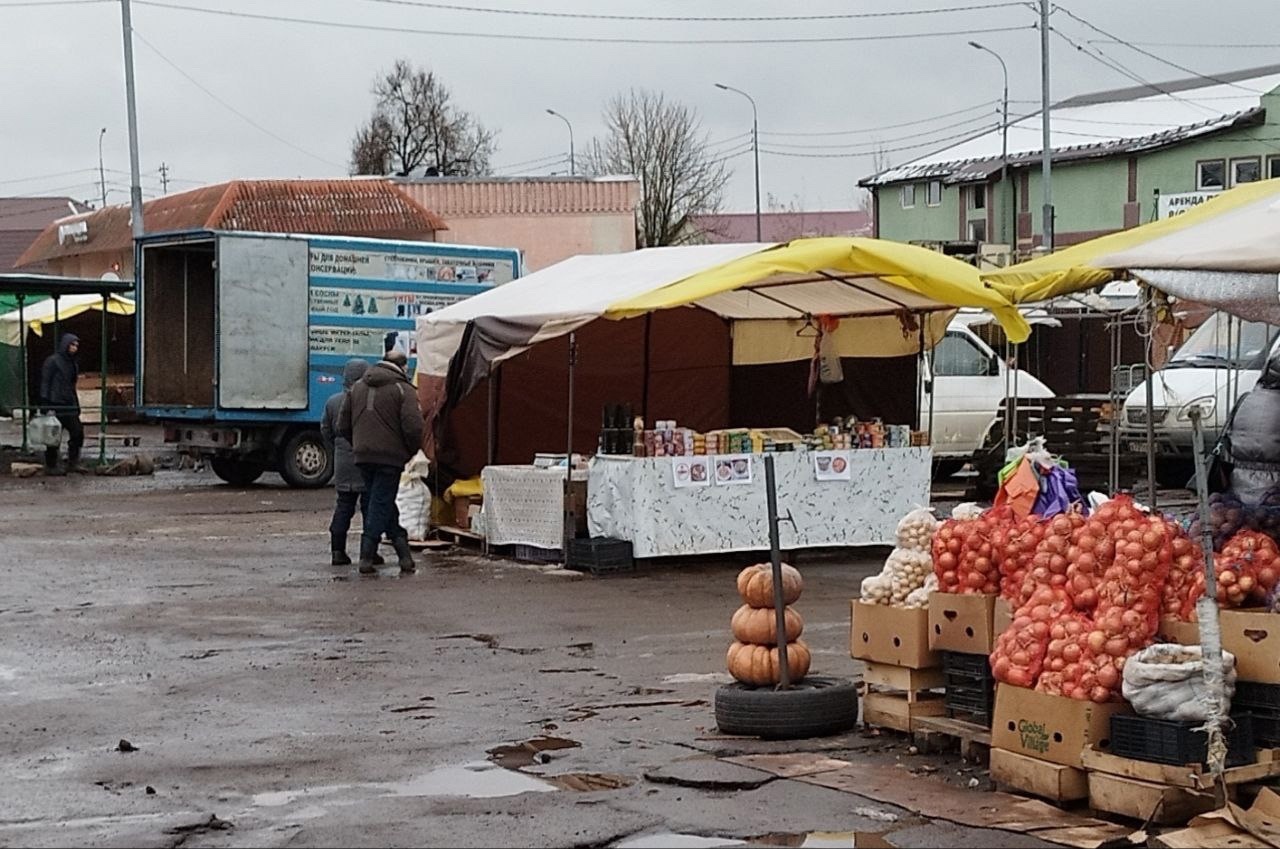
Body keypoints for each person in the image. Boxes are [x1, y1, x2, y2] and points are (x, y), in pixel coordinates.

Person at [338, 349, 424, 574]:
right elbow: (414, 427)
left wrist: (358, 445)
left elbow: (342, 425)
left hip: (363, 456)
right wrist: (409, 451)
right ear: (403, 367)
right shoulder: (403, 389)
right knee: (380, 502)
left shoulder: (357, 387)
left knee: (381, 501)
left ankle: (404, 555)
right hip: (390, 458)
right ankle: (366, 556)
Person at [320, 358, 384, 567]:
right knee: (369, 508)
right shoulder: (368, 400)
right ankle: (369, 553)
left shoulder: (332, 402)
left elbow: (326, 431)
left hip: (342, 461)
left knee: (344, 506)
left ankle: (337, 551)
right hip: (366, 459)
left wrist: (339, 447)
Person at [39, 332, 84, 475]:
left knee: (77, 433)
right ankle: (51, 466)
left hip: (69, 404)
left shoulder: (73, 363)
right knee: (53, 437)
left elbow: (72, 385)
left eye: (76, 345)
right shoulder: (52, 361)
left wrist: (76, 405)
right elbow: (45, 381)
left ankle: (73, 462)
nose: (74, 347)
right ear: (65, 344)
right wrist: (45, 403)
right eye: (72, 344)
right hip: (55, 403)